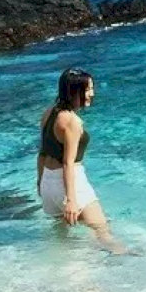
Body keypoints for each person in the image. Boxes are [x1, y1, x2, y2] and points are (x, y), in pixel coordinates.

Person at [37, 67, 127, 254]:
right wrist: (71, 200)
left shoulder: (48, 113)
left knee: (62, 238)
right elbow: (68, 163)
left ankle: (66, 272)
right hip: (70, 184)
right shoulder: (72, 121)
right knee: (102, 231)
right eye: (87, 90)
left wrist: (40, 183)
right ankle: (133, 266)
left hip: (48, 183)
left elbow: (42, 153)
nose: (92, 94)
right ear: (73, 92)